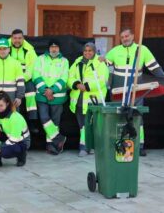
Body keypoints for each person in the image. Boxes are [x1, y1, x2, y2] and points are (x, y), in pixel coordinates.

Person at [105, 28, 164, 156]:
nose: (125, 39)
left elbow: (155, 68)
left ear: (132, 36)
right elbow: (103, 65)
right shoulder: (115, 51)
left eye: (126, 36)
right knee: (118, 116)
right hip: (118, 89)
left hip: (136, 89)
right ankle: (118, 144)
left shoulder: (142, 49)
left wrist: (162, 77)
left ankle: (139, 145)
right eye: (122, 37)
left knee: (137, 116)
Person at [68, 42, 109, 156]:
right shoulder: (77, 61)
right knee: (82, 125)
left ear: (94, 51)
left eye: (90, 50)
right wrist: (76, 84)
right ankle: (87, 146)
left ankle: (85, 147)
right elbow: (70, 76)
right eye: (85, 51)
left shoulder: (100, 63)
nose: (87, 53)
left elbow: (103, 79)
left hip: (93, 100)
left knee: (90, 125)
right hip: (78, 99)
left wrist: (86, 86)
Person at [32, 43, 68, 155]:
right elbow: (35, 75)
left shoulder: (64, 61)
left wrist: (52, 90)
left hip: (57, 96)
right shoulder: (40, 59)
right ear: (48, 48)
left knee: (55, 122)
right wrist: (46, 90)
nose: (54, 49)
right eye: (52, 47)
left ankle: (52, 146)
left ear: (59, 48)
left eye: (56, 47)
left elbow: (64, 77)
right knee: (44, 118)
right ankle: (59, 139)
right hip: (42, 95)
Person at [0, 91, 30, 169]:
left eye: (1, 105)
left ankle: (21, 155)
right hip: (9, 137)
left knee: (3, 152)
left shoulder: (15, 117)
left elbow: (15, 138)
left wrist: (0, 147)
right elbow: (0, 122)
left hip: (21, 142)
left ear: (7, 104)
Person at [0, 38, 25, 122]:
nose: (2, 51)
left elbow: (20, 82)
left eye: (4, 48)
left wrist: (19, 97)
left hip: (12, 97)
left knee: (13, 119)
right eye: (0, 49)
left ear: (9, 49)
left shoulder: (16, 63)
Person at [8, 29, 38, 133]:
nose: (17, 40)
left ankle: (32, 121)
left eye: (20, 38)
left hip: (25, 78)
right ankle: (12, 121)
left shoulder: (29, 50)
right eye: (15, 38)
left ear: (23, 38)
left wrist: (22, 79)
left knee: (31, 92)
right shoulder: (4, 47)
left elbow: (32, 68)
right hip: (9, 79)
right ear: (11, 38)